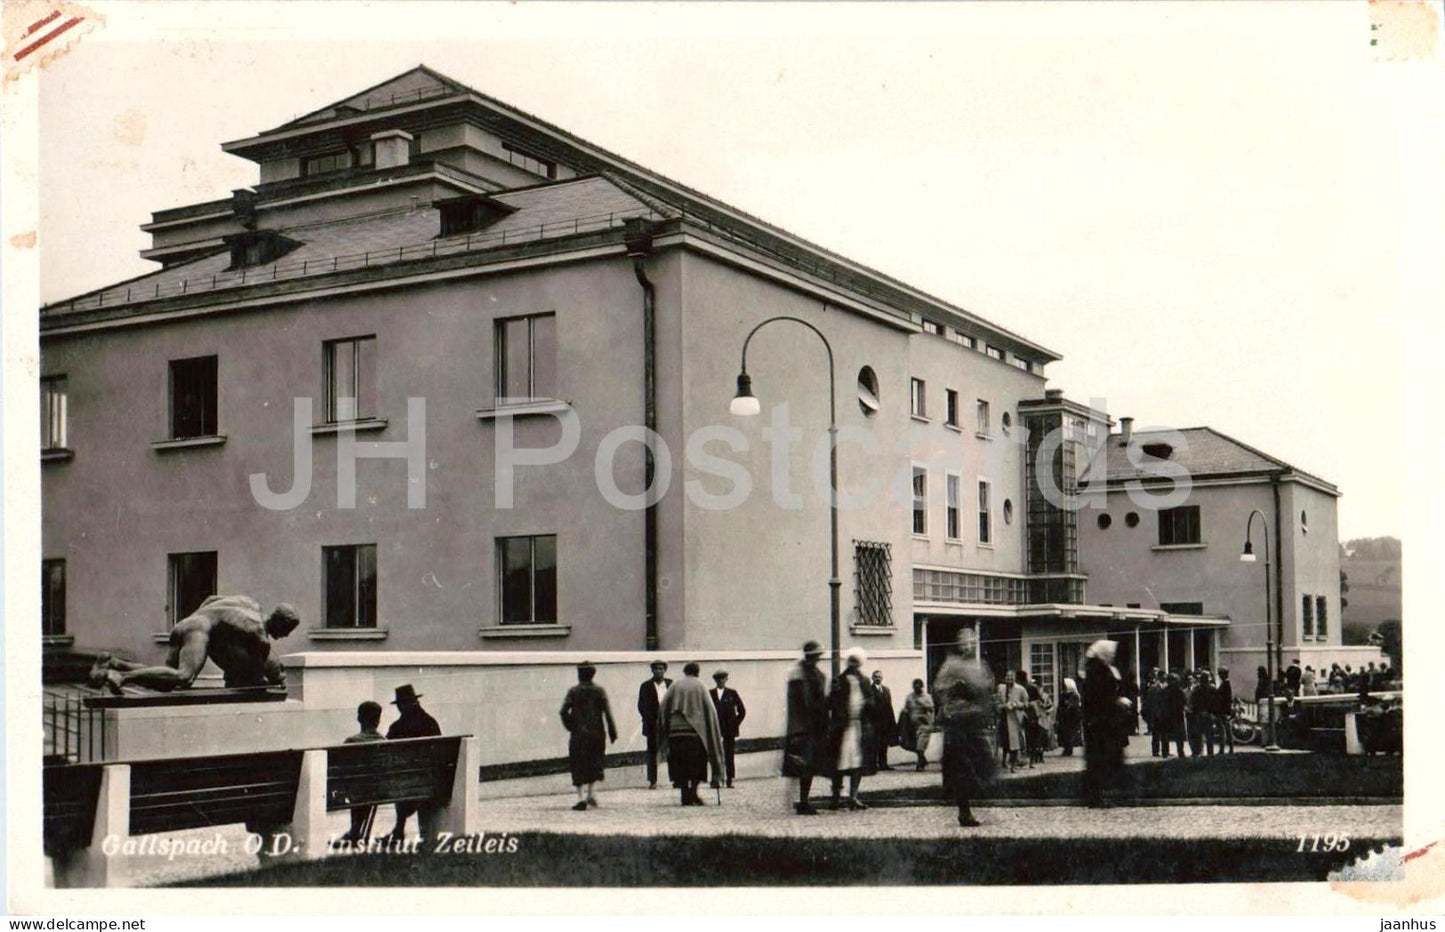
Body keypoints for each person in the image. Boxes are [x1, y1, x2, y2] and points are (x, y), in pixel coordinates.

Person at [88, 595, 299, 693]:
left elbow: (210, 599)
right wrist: (273, 681)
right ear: (281, 624)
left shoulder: (250, 603)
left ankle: (112, 664)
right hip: (199, 629)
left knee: (167, 679)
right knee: (185, 677)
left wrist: (201, 625)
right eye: (287, 631)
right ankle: (121, 677)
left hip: (188, 623)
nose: (286, 636)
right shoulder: (260, 637)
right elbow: (251, 678)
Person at [933, 629, 997, 827]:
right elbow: (940, 690)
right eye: (964, 641)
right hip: (957, 724)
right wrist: (956, 693)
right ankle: (964, 812)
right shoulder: (951, 665)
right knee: (962, 768)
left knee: (984, 766)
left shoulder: (976, 666)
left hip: (972, 724)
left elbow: (984, 692)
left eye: (971, 640)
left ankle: (966, 802)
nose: (968, 644)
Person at [658, 662, 725, 806]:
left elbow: (663, 707)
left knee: (680, 764)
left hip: (675, 733)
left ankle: (684, 794)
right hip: (694, 733)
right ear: (697, 672)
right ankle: (693, 793)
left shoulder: (675, 685)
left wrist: (666, 728)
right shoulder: (700, 686)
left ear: (685, 671)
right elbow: (710, 710)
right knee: (697, 765)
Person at [384, 684, 441, 842]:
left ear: (402, 706)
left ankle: (399, 829)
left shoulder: (396, 728)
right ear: (416, 702)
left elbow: (385, 754)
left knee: (403, 780)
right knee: (408, 780)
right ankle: (398, 829)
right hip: (431, 783)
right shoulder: (430, 723)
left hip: (407, 787)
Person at [560, 661, 618, 811]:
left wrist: (571, 726)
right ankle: (591, 793)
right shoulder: (599, 691)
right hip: (597, 733)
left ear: (579, 674)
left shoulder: (574, 691)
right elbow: (608, 713)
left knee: (578, 764)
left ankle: (581, 797)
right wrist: (612, 731)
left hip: (579, 734)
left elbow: (563, 711)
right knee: (595, 762)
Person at [782, 641, 829, 815]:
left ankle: (802, 800)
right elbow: (801, 703)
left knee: (807, 766)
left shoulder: (815, 674)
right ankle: (798, 800)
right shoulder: (799, 676)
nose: (817, 659)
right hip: (802, 726)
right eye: (815, 656)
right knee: (800, 765)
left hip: (813, 726)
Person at [1081, 640, 1129, 808]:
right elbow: (1099, 698)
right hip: (1101, 724)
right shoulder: (1097, 671)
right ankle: (1098, 796)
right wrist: (1117, 701)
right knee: (1101, 759)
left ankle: (1102, 795)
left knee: (1104, 760)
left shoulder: (1103, 670)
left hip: (1104, 722)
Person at [828, 647, 877, 810]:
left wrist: (868, 704)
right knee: (839, 763)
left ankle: (853, 796)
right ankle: (835, 796)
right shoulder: (839, 681)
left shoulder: (864, 681)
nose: (853, 665)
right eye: (851, 661)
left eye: (856, 661)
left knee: (857, 763)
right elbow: (830, 703)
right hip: (842, 727)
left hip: (859, 726)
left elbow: (872, 702)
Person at [338, 700, 385, 844]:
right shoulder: (384, 742)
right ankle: (355, 831)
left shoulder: (351, 741)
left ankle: (355, 830)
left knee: (357, 786)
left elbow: (341, 770)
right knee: (364, 785)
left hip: (356, 791)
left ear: (359, 718)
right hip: (378, 790)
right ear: (378, 720)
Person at [637, 660, 672, 789]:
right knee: (652, 752)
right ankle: (653, 780)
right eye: (656, 668)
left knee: (672, 751)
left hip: (668, 723)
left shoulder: (670, 684)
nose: (658, 671)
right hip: (652, 724)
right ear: (652, 670)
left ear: (665, 670)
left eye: (661, 668)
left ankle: (675, 779)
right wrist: (651, 720)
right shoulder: (646, 686)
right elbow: (641, 705)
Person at [709, 669, 747, 787]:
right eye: (718, 679)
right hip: (715, 728)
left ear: (726, 679)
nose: (720, 681)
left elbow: (742, 711)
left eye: (723, 678)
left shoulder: (732, 693)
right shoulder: (710, 693)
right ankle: (716, 779)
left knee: (729, 754)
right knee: (715, 754)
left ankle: (729, 779)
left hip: (729, 730)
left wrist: (735, 724)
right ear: (715, 680)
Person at [899, 678, 935, 771]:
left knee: (920, 745)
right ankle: (923, 759)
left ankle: (920, 764)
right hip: (912, 726)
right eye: (915, 687)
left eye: (919, 687)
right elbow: (906, 708)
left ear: (922, 687)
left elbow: (931, 709)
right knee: (910, 745)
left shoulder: (927, 697)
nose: (917, 689)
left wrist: (930, 721)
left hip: (924, 725)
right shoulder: (909, 697)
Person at [996, 670, 1028, 773]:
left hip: (1015, 719)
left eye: (1011, 677)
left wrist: (1017, 705)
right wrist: (1002, 706)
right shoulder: (1002, 689)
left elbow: (1026, 703)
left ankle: (1013, 765)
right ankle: (1003, 761)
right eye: (1007, 677)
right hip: (1003, 718)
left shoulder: (1020, 689)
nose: (1009, 679)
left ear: (1015, 678)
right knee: (1004, 742)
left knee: (1014, 743)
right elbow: (997, 703)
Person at [870, 670, 898, 770]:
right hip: (875, 722)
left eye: (879, 677)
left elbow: (889, 706)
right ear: (872, 678)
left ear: (882, 678)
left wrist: (892, 721)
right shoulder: (870, 690)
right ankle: (873, 765)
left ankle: (883, 764)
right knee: (874, 744)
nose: (878, 678)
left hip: (885, 722)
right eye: (876, 677)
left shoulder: (886, 690)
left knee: (884, 743)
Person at [1162, 672, 1187, 758]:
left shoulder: (1166, 691)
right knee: (1172, 735)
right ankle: (1175, 751)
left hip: (1173, 716)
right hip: (1172, 716)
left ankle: (1173, 751)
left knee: (1174, 735)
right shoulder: (1178, 691)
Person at [1056, 677, 1083, 757]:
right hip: (1064, 717)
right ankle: (1066, 747)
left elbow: (1075, 706)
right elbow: (1060, 706)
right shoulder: (1063, 695)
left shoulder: (1075, 695)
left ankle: (1069, 748)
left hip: (1072, 717)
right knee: (1064, 733)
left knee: (1070, 733)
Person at [1146, 671, 1167, 756]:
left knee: (1165, 733)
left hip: (1165, 713)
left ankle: (1165, 750)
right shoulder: (1153, 687)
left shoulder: (1167, 687)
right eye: (1163, 677)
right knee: (1156, 733)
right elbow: (1149, 701)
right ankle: (1155, 751)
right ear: (1159, 677)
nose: (1165, 678)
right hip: (1156, 713)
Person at [1215, 667, 1235, 753]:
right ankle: (1229, 747)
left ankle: (1223, 748)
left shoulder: (1225, 684)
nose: (1219, 676)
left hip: (1223, 710)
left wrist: (1226, 711)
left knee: (1223, 730)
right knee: (1226, 729)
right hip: (1224, 710)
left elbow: (1226, 699)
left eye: (1220, 674)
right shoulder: (1225, 684)